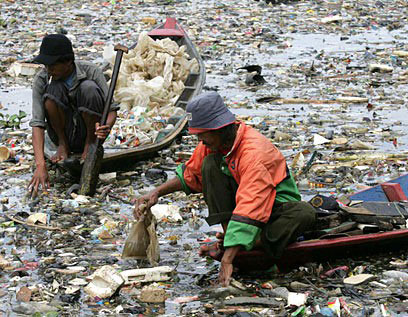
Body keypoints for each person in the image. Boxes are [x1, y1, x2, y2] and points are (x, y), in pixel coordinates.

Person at [134, 91, 317, 286]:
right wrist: (156, 192)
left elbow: (251, 205)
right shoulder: (213, 145)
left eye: (202, 136)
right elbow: (191, 175)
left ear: (219, 129)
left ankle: (248, 242)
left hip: (274, 210)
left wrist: (227, 258)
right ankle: (233, 237)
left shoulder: (253, 153)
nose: (201, 142)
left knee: (304, 213)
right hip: (245, 211)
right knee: (209, 164)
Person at [29, 34, 118, 194]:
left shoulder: (91, 71)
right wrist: (40, 165)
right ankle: (63, 145)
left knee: (88, 88)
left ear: (68, 61)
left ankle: (88, 145)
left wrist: (106, 128)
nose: (49, 70)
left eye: (53, 65)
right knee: (53, 90)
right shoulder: (42, 79)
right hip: (63, 133)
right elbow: (37, 124)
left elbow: (111, 111)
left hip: (90, 133)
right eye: (46, 66)